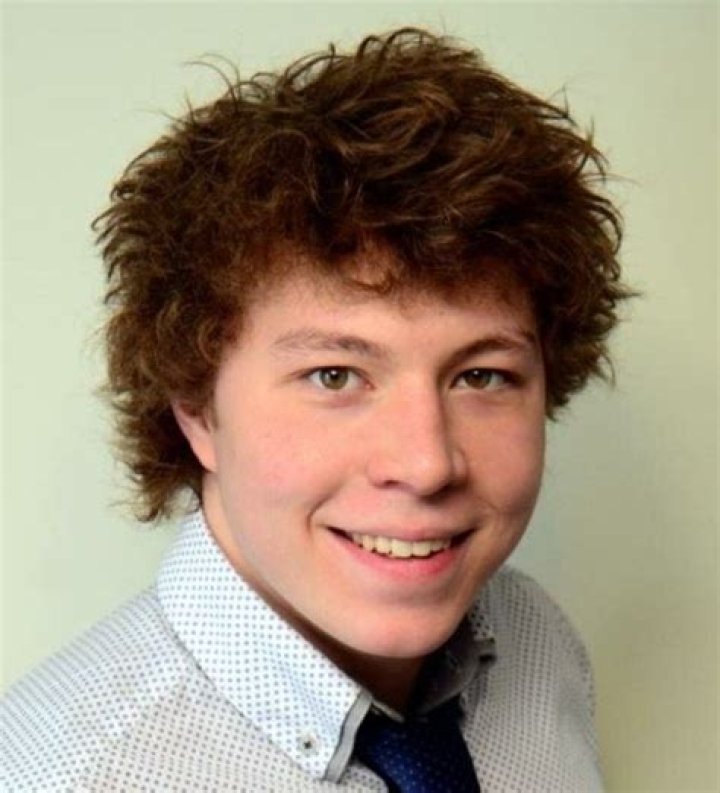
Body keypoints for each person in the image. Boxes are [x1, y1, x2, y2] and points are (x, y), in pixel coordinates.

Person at [2, 28, 631, 791]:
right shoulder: (61, 775)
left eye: (481, 376)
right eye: (335, 375)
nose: (426, 463)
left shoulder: (539, 643)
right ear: (196, 407)